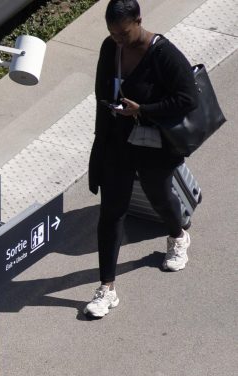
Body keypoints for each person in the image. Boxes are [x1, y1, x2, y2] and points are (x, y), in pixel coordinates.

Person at [85, 0, 198, 318]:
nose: (117, 39)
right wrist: (101, 139)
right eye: (112, 33)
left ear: (139, 21)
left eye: (122, 33)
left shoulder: (163, 53)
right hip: (117, 144)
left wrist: (143, 111)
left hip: (154, 145)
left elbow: (188, 98)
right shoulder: (110, 48)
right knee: (111, 214)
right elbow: (100, 93)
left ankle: (177, 235)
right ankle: (106, 288)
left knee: (159, 197)